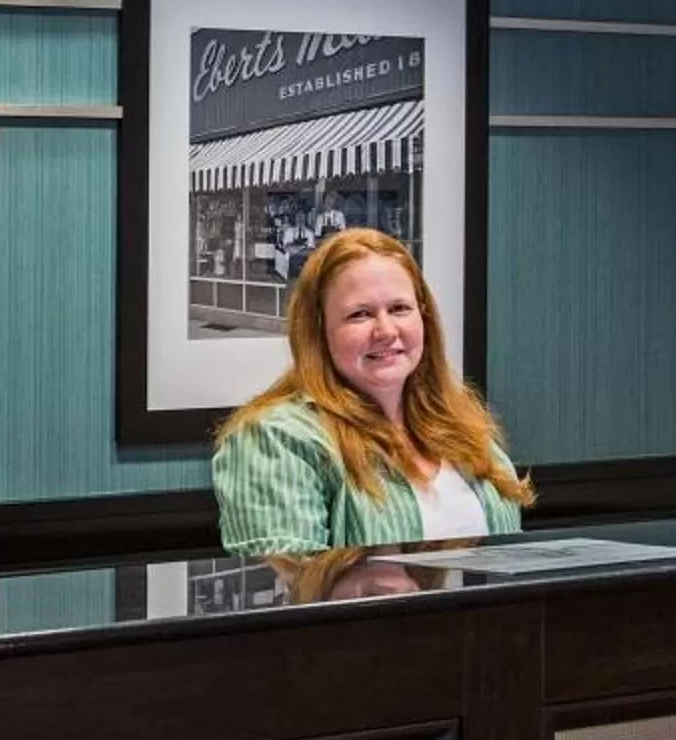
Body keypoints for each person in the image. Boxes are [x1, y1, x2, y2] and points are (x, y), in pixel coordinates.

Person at [210, 228, 533, 554]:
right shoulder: (275, 439)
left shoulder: (463, 425)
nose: (386, 330)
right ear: (318, 330)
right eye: (360, 314)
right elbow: (287, 581)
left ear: (424, 316)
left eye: (399, 308)